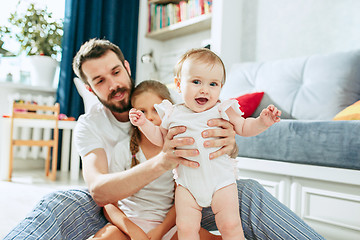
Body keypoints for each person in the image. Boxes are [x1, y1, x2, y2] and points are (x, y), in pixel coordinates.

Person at [4, 38, 325, 240]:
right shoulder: (90, 125)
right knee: (61, 200)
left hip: (193, 192)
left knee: (248, 192)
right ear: (89, 88)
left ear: (127, 67)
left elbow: (213, 124)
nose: (113, 84)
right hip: (123, 203)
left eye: (116, 71)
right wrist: (163, 160)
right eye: (100, 80)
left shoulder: (171, 97)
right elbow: (100, 191)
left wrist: (230, 140)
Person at [129, 48, 281, 239]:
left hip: (221, 182)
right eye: (196, 82)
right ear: (178, 84)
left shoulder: (222, 108)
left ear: (220, 87)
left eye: (213, 84)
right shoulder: (173, 113)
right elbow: (161, 138)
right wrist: (143, 123)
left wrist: (262, 122)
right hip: (187, 185)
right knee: (185, 228)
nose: (204, 89)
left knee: (231, 225)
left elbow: (243, 127)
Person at [92, 80, 221, 239]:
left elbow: (182, 203)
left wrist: (160, 232)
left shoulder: (179, 150)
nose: (150, 117)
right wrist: (134, 231)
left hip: (167, 227)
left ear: (169, 112)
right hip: (128, 227)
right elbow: (109, 204)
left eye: (156, 110)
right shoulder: (122, 149)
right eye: (142, 111)